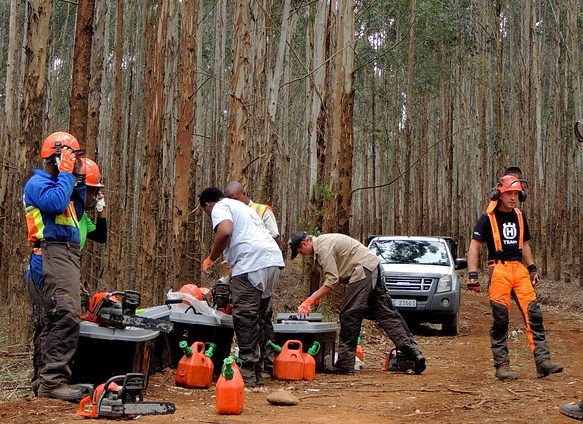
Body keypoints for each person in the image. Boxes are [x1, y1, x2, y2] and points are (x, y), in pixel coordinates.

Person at [466, 172, 563, 381]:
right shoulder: (487, 218)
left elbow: (524, 244)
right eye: (509, 193)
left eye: (516, 194)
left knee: (534, 315)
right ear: (499, 194)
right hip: (499, 269)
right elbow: (474, 247)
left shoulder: (520, 216)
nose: (513, 198)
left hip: (519, 270)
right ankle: (502, 365)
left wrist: (533, 267)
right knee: (501, 319)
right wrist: (472, 274)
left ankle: (542, 362)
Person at [289, 231, 426, 375]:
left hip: (362, 271)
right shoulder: (324, 242)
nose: (301, 255)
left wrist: (309, 300)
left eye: (299, 251)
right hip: (372, 267)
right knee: (386, 314)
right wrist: (316, 298)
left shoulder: (324, 247)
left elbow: (332, 280)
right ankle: (415, 356)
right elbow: (334, 278)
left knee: (349, 314)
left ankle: (345, 363)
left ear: (305, 243)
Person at [199, 187, 285, 386]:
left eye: (206, 213)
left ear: (208, 205)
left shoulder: (220, 206)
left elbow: (225, 230)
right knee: (259, 317)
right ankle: (258, 371)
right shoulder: (243, 207)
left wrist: (211, 258)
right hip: (272, 261)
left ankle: (247, 373)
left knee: (245, 317)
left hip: (252, 263)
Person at [23, 131, 86, 401]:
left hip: (65, 255)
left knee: (52, 318)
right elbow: (57, 202)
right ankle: (53, 381)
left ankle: (43, 381)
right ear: (57, 156)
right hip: (52, 252)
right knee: (67, 314)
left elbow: (78, 211)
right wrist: (66, 173)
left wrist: (78, 177)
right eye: (70, 156)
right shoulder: (38, 183)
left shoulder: (63, 182)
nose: (74, 161)